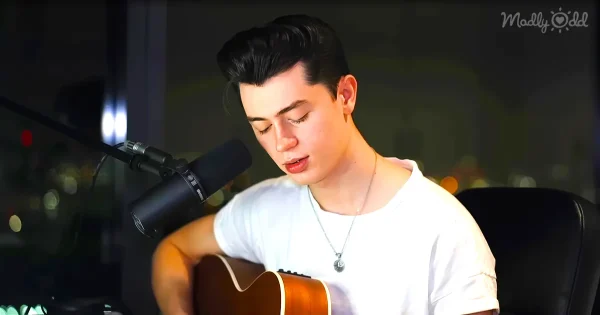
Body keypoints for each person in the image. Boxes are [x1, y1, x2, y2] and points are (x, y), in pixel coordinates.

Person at [151, 14, 499, 315]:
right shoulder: (265, 207)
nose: (282, 141)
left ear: (345, 95)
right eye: (262, 126)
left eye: (298, 117)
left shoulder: (444, 231)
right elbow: (173, 251)